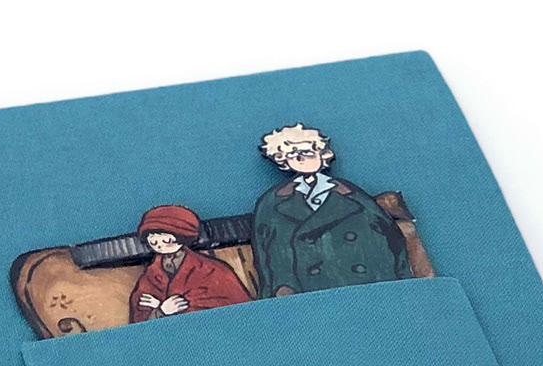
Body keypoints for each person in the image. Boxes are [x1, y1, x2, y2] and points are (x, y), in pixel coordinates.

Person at [251, 123, 408, 295]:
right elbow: (267, 252)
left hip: (365, 287)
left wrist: (396, 279)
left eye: (307, 152)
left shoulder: (351, 195)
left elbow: (387, 236)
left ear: (324, 154)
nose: (301, 158)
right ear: (282, 159)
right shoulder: (272, 202)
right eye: (292, 155)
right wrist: (279, 289)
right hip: (309, 294)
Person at [128, 204, 253, 321]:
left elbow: (239, 310)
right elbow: (140, 320)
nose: (160, 246)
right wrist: (160, 311)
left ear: (182, 237)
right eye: (154, 242)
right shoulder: (149, 277)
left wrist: (170, 309)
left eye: (167, 240)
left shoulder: (212, 270)